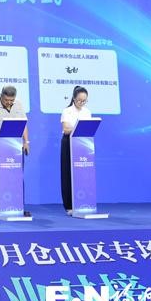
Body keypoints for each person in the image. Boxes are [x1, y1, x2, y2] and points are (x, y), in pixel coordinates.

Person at [0, 85, 29, 217]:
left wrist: (26, 141)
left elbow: (24, 124)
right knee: (1, 179)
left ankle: (19, 207)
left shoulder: (18, 105)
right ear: (1, 96)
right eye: (6, 100)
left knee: (17, 178)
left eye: (11, 100)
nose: (9, 103)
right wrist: (4, 129)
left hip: (16, 147)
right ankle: (1, 208)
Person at [60, 86, 92, 215]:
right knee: (68, 173)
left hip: (83, 143)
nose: (82, 103)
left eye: (84, 101)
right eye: (79, 100)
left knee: (83, 173)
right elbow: (66, 129)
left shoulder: (87, 112)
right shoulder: (67, 111)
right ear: (74, 99)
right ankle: (69, 206)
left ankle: (84, 202)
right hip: (69, 142)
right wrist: (78, 127)